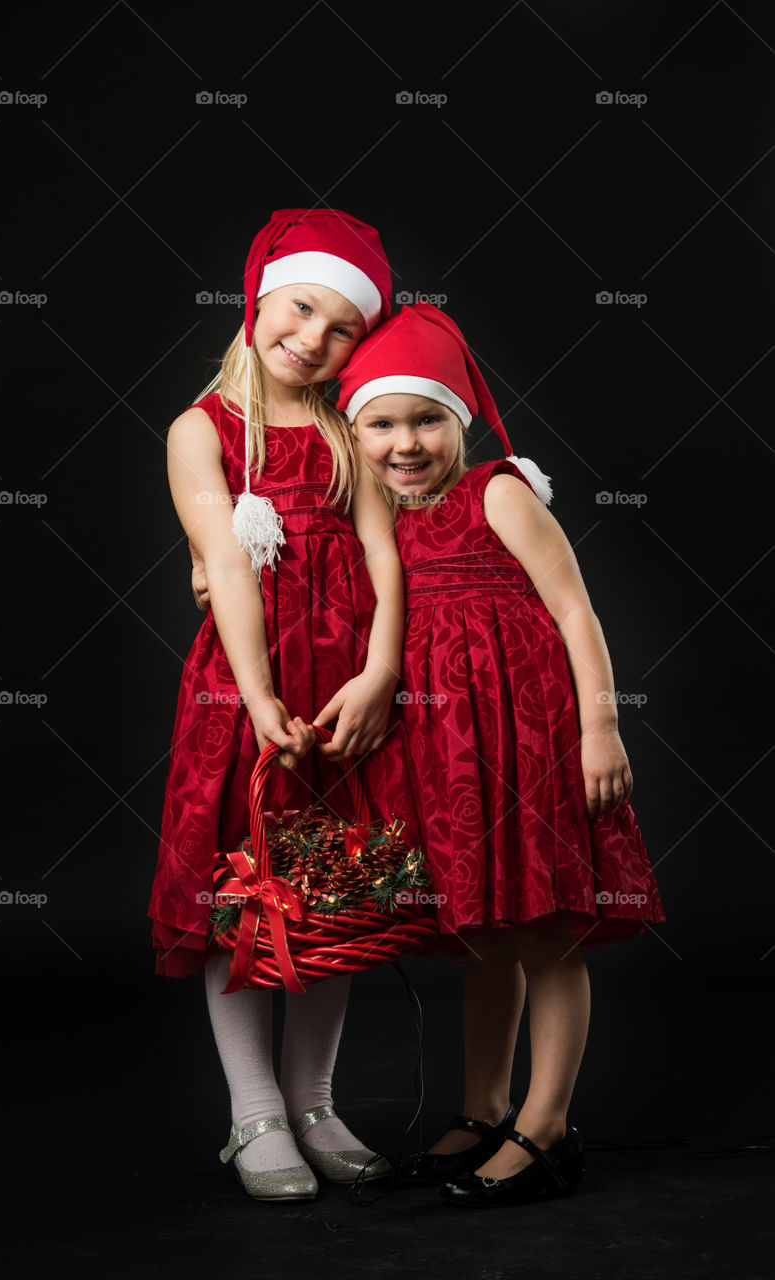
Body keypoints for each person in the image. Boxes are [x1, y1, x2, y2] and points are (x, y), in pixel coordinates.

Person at [336, 301, 666, 1209]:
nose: (407, 443)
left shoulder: (498, 491)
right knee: (485, 935)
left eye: (427, 419)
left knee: (546, 931)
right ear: (354, 432)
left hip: (531, 737)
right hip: (448, 748)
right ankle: (482, 1109)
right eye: (383, 425)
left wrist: (601, 727)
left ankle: (547, 1125)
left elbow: (574, 610)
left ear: (461, 421)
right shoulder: (383, 518)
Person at [148, 209, 421, 1202]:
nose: (313, 336)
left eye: (343, 326)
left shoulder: (355, 430)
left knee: (335, 892)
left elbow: (387, 561)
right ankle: (252, 1107)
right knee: (245, 890)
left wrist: (383, 673)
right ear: (258, 297)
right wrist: (259, 694)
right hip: (247, 688)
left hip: (347, 689)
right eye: (302, 307)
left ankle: (315, 1098)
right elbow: (223, 561)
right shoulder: (202, 430)